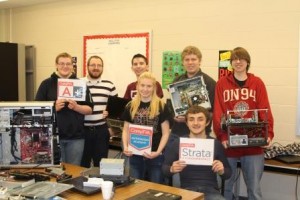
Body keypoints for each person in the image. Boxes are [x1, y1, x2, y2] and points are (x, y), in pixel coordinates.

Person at [213, 47, 274, 200]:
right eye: (234, 59)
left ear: (248, 62)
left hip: (253, 145)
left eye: (241, 59)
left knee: (254, 189)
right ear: (231, 63)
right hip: (230, 144)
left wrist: (268, 134)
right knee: (226, 187)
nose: (238, 62)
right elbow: (218, 112)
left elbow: (264, 109)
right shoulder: (222, 83)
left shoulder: (257, 83)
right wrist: (222, 137)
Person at [162, 105, 231, 200]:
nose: (195, 123)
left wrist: (222, 170)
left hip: (210, 192)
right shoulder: (178, 142)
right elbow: (164, 169)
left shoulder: (215, 144)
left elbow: (228, 173)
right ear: (186, 123)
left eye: (200, 119)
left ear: (207, 122)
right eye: (191, 119)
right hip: (186, 191)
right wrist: (171, 169)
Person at [35, 52, 93, 165]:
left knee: (74, 171)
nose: (65, 66)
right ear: (56, 65)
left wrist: (77, 107)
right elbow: (37, 110)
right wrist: (53, 108)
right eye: (61, 63)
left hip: (76, 137)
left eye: (68, 63)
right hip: (52, 136)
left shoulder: (81, 84)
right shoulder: (46, 84)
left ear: (72, 66)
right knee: (56, 171)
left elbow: (90, 109)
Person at [122, 71, 170, 184]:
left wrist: (158, 152)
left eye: (149, 86)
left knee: (156, 188)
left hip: (155, 156)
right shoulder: (130, 106)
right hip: (135, 155)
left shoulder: (161, 106)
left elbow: (166, 133)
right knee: (135, 188)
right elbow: (125, 130)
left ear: (154, 87)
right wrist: (125, 147)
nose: (145, 89)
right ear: (137, 86)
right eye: (142, 85)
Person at [81, 55, 118, 168]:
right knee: (82, 164)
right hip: (82, 131)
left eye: (99, 65)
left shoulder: (109, 85)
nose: (96, 68)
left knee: (101, 166)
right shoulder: (79, 83)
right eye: (93, 65)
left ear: (102, 67)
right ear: (87, 66)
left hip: (101, 131)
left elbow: (116, 111)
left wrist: (111, 129)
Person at [171, 46, 216, 137]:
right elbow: (172, 108)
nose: (190, 62)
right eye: (187, 60)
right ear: (183, 62)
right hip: (179, 132)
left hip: (200, 134)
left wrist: (192, 118)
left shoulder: (209, 83)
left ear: (199, 61)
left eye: (193, 59)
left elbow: (214, 112)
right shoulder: (176, 82)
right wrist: (175, 116)